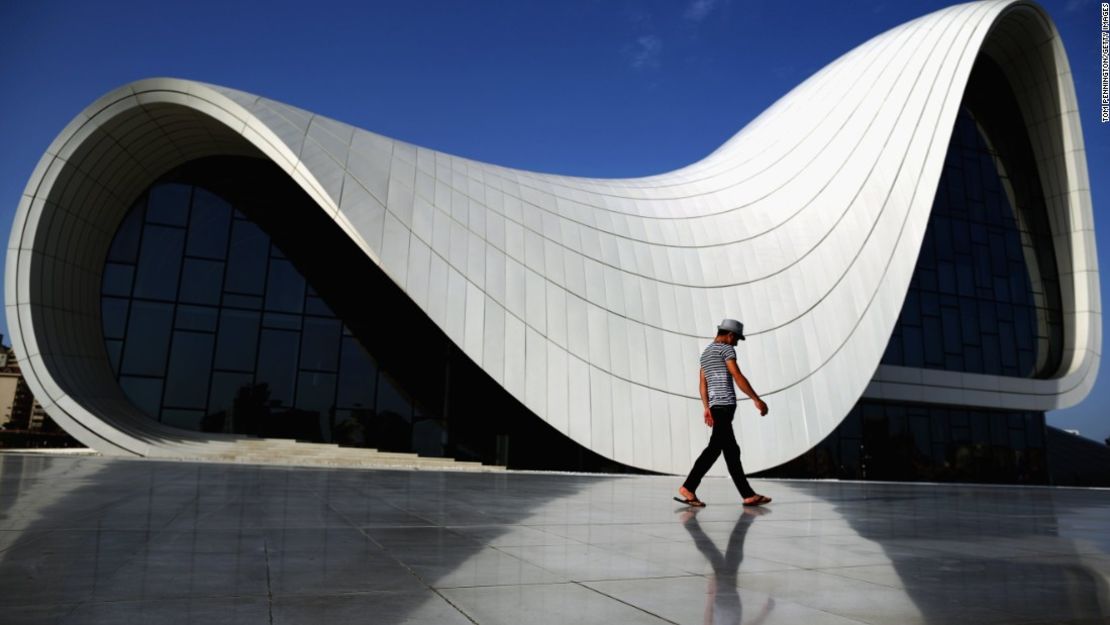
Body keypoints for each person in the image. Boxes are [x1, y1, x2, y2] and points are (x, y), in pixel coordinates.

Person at [675, 318, 772, 507]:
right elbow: (737, 375)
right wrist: (756, 399)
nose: (737, 343)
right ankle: (688, 486)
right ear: (729, 335)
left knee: (731, 451)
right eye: (737, 339)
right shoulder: (726, 349)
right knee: (714, 449)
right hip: (725, 407)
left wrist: (706, 408)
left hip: (715, 408)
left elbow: (702, 385)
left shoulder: (705, 353)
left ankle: (748, 495)